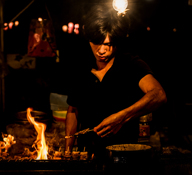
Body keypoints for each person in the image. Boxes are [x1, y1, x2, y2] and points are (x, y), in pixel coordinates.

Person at [65, 3, 167, 158]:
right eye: (96, 43)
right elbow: (73, 110)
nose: (101, 50)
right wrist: (68, 150)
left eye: (108, 44)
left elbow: (158, 94)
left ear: (117, 42)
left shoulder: (130, 64)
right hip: (87, 157)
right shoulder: (81, 67)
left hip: (124, 157)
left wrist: (122, 117)